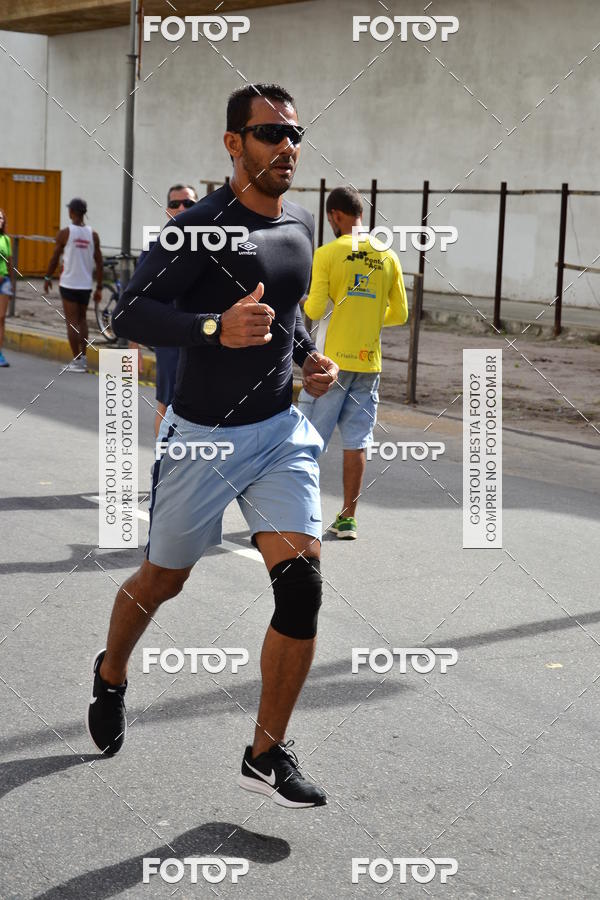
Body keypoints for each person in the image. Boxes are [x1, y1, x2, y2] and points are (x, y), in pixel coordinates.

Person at [86, 84, 339, 809]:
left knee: (303, 585)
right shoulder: (195, 229)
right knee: (162, 580)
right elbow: (125, 313)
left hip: (277, 433)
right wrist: (207, 329)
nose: (287, 146)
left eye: (295, 133)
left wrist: (307, 359)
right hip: (199, 439)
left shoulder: (296, 231)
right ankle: (111, 672)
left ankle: (266, 752)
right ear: (234, 144)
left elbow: (283, 316)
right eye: (270, 134)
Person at [299, 186, 408, 540]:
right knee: (357, 441)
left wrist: (309, 302)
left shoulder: (328, 253)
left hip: (328, 363)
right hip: (369, 362)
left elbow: (314, 310)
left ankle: (302, 515)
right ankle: (347, 518)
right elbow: (401, 313)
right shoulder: (387, 254)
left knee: (308, 438)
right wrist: (370, 316)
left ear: (335, 215)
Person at [131, 183, 198, 437]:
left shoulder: (212, 245)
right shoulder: (154, 247)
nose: (181, 208)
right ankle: (162, 461)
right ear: (167, 210)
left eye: (188, 204)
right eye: (175, 204)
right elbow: (136, 298)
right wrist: (133, 346)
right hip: (169, 339)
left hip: (205, 337)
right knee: (167, 403)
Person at [44, 198, 103, 372]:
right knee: (82, 320)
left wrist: (47, 277)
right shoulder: (93, 234)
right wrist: (99, 287)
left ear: (72, 212)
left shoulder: (65, 233)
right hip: (85, 285)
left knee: (71, 322)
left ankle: (77, 360)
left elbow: (55, 258)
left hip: (69, 283)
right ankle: (83, 358)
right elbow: (100, 263)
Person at [0, 208, 13, 368]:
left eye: (2, 218)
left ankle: (0, 353)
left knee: (1, 318)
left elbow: (10, 263)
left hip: (4, 283)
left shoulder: (6, 240)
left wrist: (11, 282)